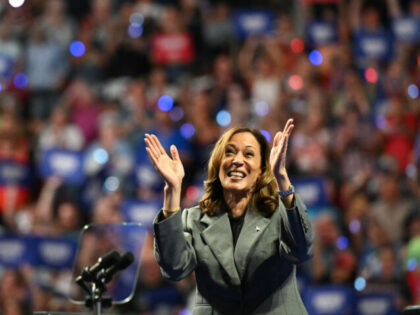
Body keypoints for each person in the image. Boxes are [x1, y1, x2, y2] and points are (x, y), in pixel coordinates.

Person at [145, 118, 313, 314]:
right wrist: (172, 191)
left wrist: (282, 179)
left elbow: (301, 251)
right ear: (218, 165)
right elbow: (174, 268)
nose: (237, 160)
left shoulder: (279, 213)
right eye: (230, 152)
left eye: (249, 154)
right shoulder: (194, 219)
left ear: (261, 172)